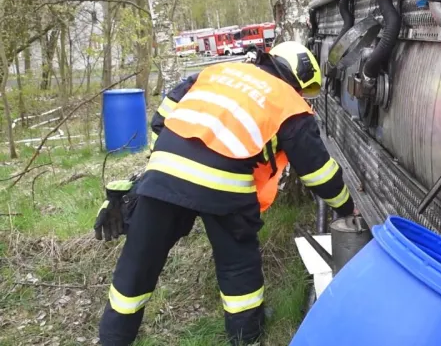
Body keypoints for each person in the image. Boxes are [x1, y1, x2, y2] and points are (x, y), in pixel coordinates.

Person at [94, 41, 357, 346]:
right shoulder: (288, 102)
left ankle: (112, 339)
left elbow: (160, 119)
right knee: (237, 263)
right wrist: (347, 209)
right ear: (299, 80)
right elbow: (319, 172)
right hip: (225, 185)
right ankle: (246, 336)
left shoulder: (216, 72)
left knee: (139, 259)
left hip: (164, 172)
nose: (302, 97)